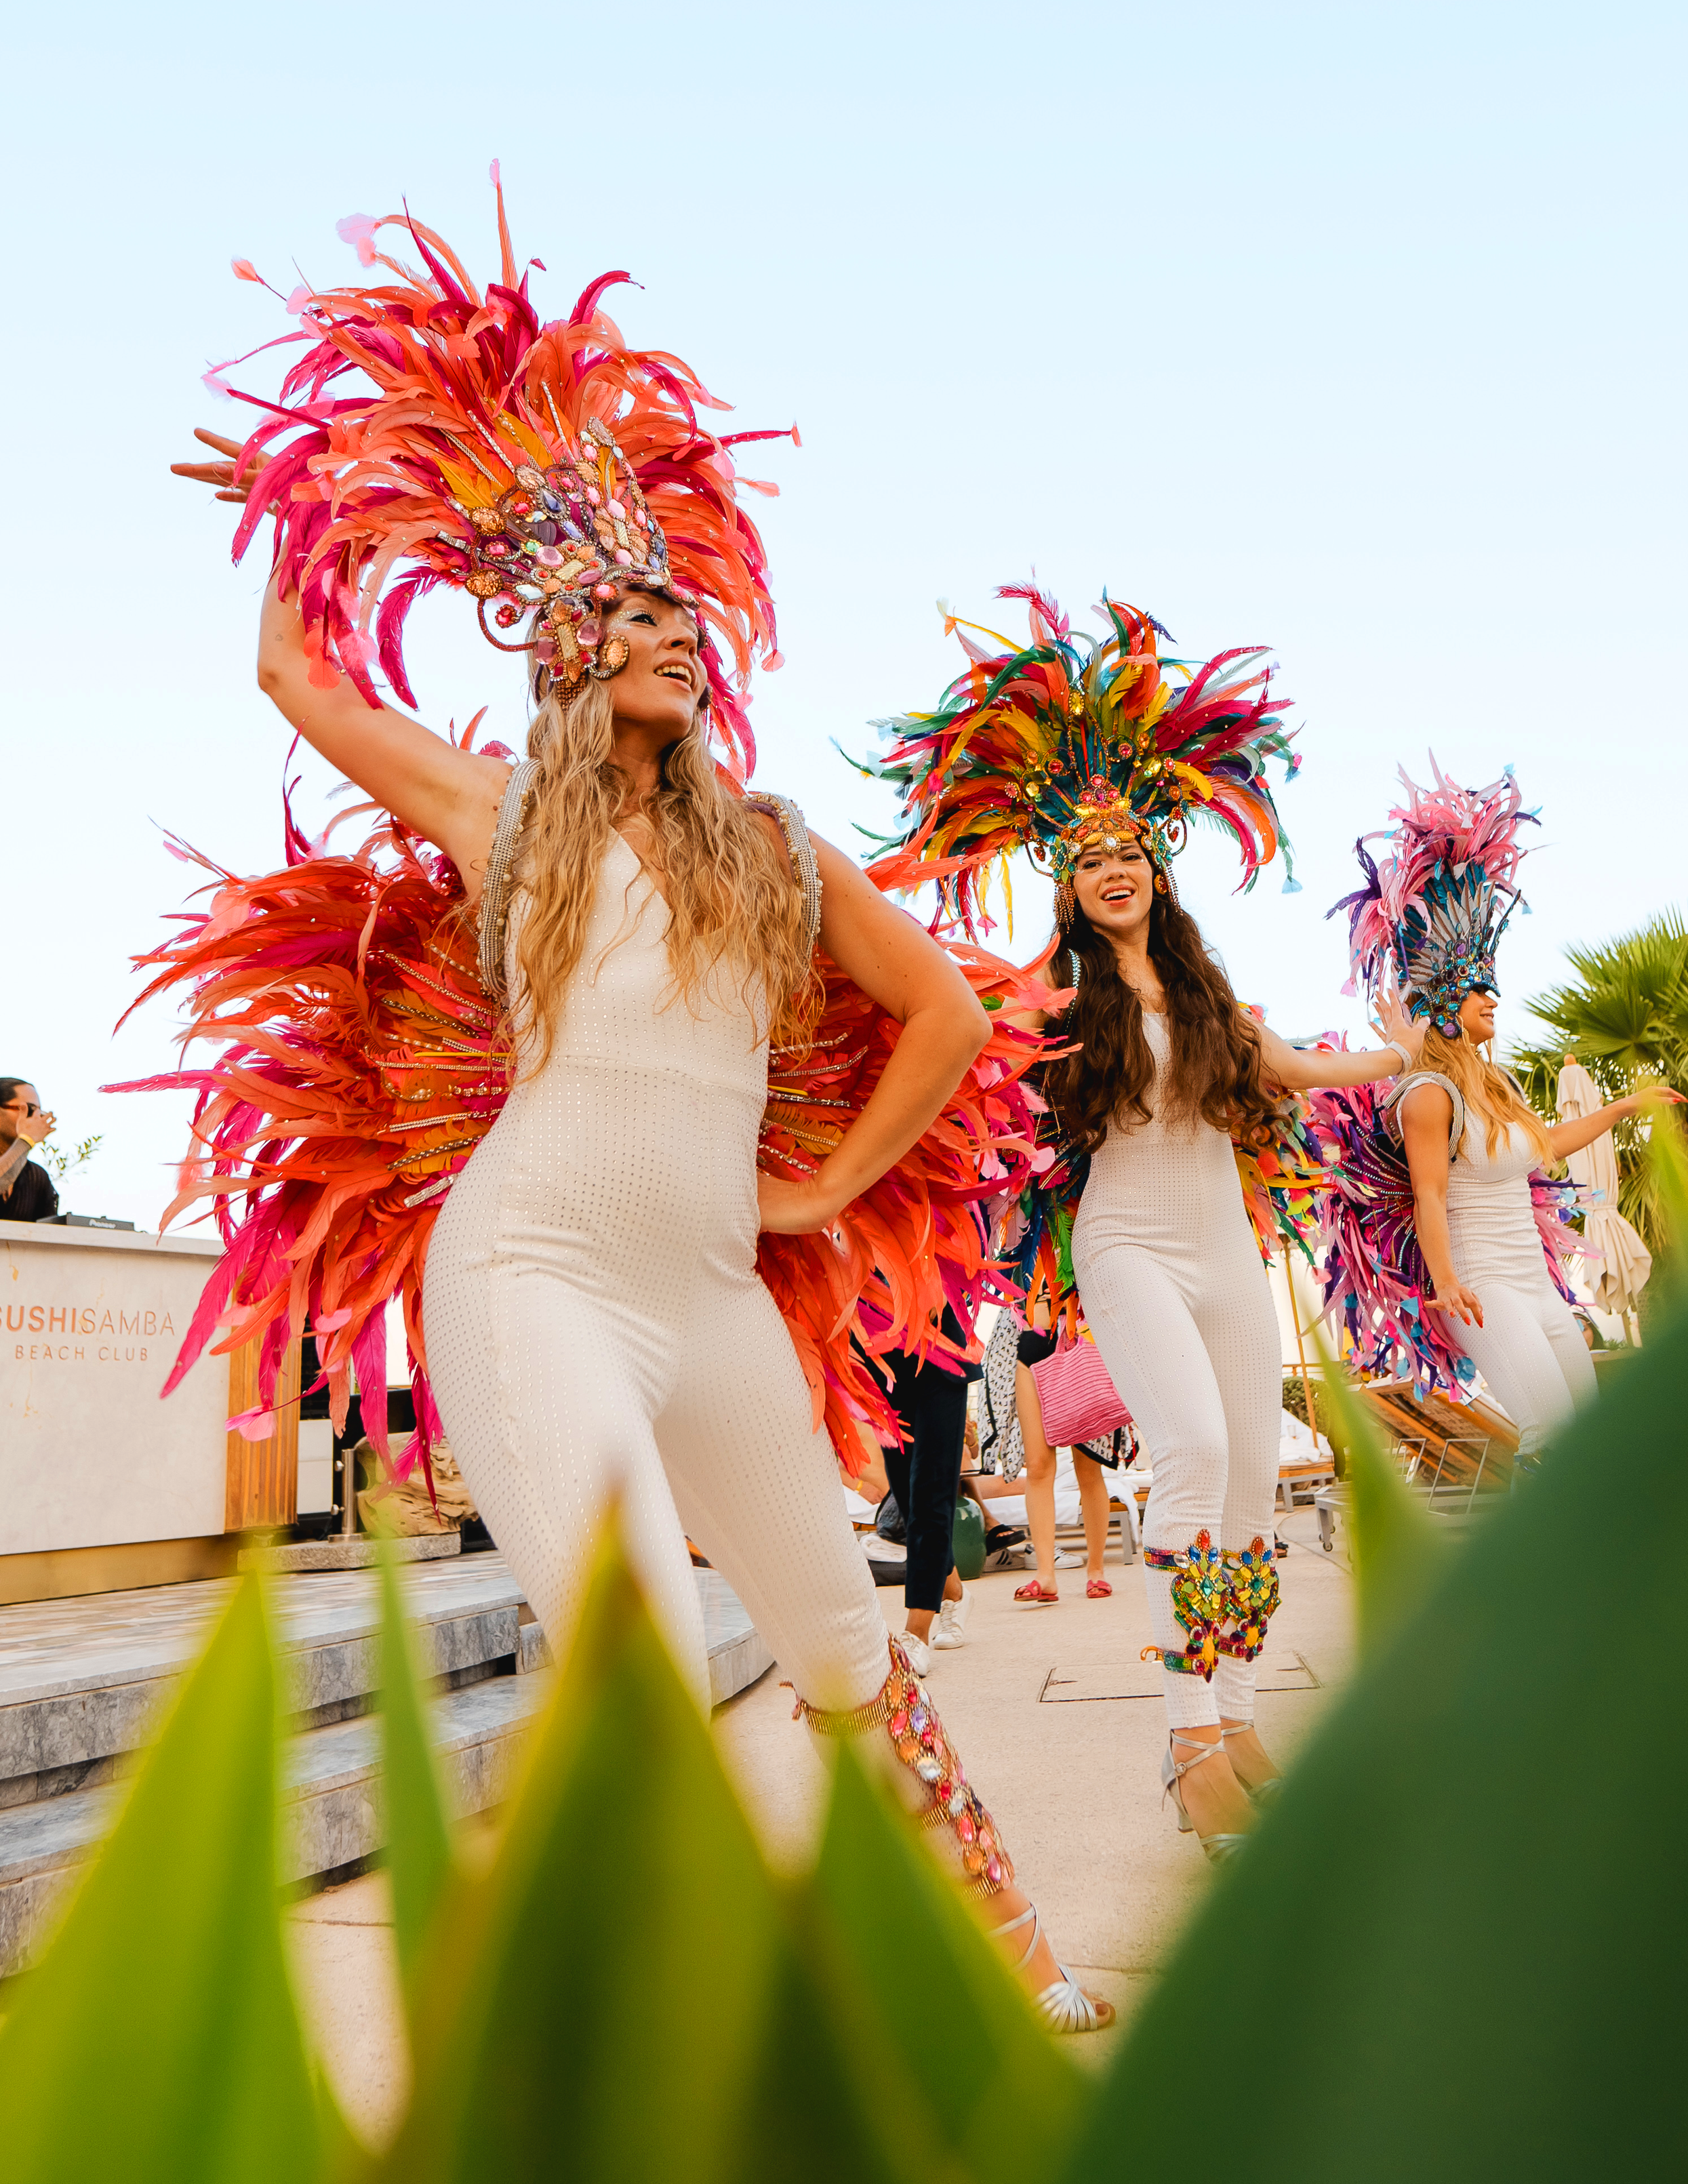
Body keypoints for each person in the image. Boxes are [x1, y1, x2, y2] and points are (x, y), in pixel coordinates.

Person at [161, 199, 1110, 2031]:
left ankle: (1007, 1963)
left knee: (845, 1639)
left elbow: (939, 1012)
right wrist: (307, 495)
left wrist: (823, 1178)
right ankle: (631, 2061)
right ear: (575, 644)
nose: (684, 633)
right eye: (646, 611)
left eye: (693, 612)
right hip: (537, 1276)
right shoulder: (511, 814)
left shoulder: (770, 850)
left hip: (709, 1299)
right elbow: (296, 680)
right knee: (641, 1650)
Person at [867, 589, 1425, 1859]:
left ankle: (1231, 1718)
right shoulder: (1053, 995)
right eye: (1086, 857)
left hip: (1225, 1247)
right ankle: (1185, 1744)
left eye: (1130, 851)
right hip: (1126, 1246)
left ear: (1157, 866)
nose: (1112, 867)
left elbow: (1277, 1063)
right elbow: (969, 1061)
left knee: (1246, 1485)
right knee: (1185, 1455)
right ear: (1066, 884)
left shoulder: (1199, 982)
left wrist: (1386, 1062)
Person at [1323, 767, 1681, 1449]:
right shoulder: (1429, 1095)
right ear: (1442, 1004)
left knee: (1583, 1435)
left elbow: (1544, 1146)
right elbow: (1428, 1195)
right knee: (1548, 1434)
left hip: (1534, 1280)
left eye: (1492, 985)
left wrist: (1627, 1105)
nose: (1493, 998)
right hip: (1482, 1284)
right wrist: (1448, 1283)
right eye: (1477, 987)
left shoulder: (1500, 1085)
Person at [978, 1307, 1129, 1602]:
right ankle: (1045, 1575)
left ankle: (1096, 1571)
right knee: (1037, 1466)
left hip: (1080, 1333)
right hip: (1030, 1337)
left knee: (1088, 1468)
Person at [879, 1319, 975, 1670]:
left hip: (938, 1346)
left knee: (929, 1491)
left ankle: (915, 1634)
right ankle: (954, 1592)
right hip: (880, 1359)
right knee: (905, 1493)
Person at [0, 1080, 58, 1222]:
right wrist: (26, 1140)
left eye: (40, 1112)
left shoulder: (36, 1176)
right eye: (30, 1109)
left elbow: (49, 1237)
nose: (36, 1119)